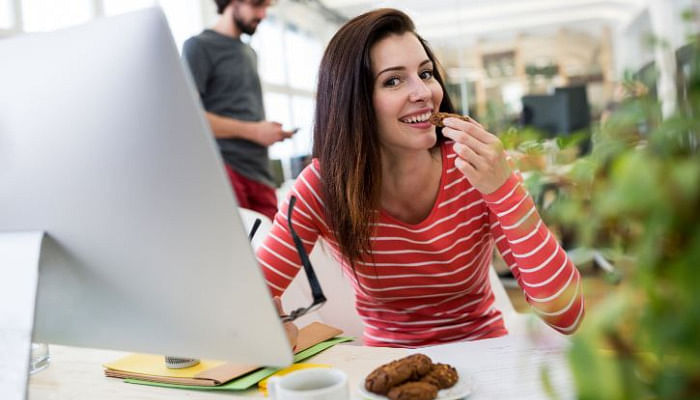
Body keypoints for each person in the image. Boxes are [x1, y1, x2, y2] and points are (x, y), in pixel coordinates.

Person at [257, 9, 585, 347]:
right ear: (353, 103)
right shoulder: (324, 185)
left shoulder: (477, 168)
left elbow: (567, 315)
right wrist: (269, 321)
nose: (424, 93)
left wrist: (506, 192)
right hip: (385, 373)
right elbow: (249, 300)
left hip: (486, 355)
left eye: (425, 73)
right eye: (393, 80)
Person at [182, 0, 294, 220]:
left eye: (266, 7)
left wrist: (267, 132)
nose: (262, 14)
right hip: (226, 170)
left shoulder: (249, 52)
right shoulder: (199, 47)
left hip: (260, 172)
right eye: (256, 5)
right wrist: (255, 131)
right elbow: (189, 117)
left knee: (268, 250)